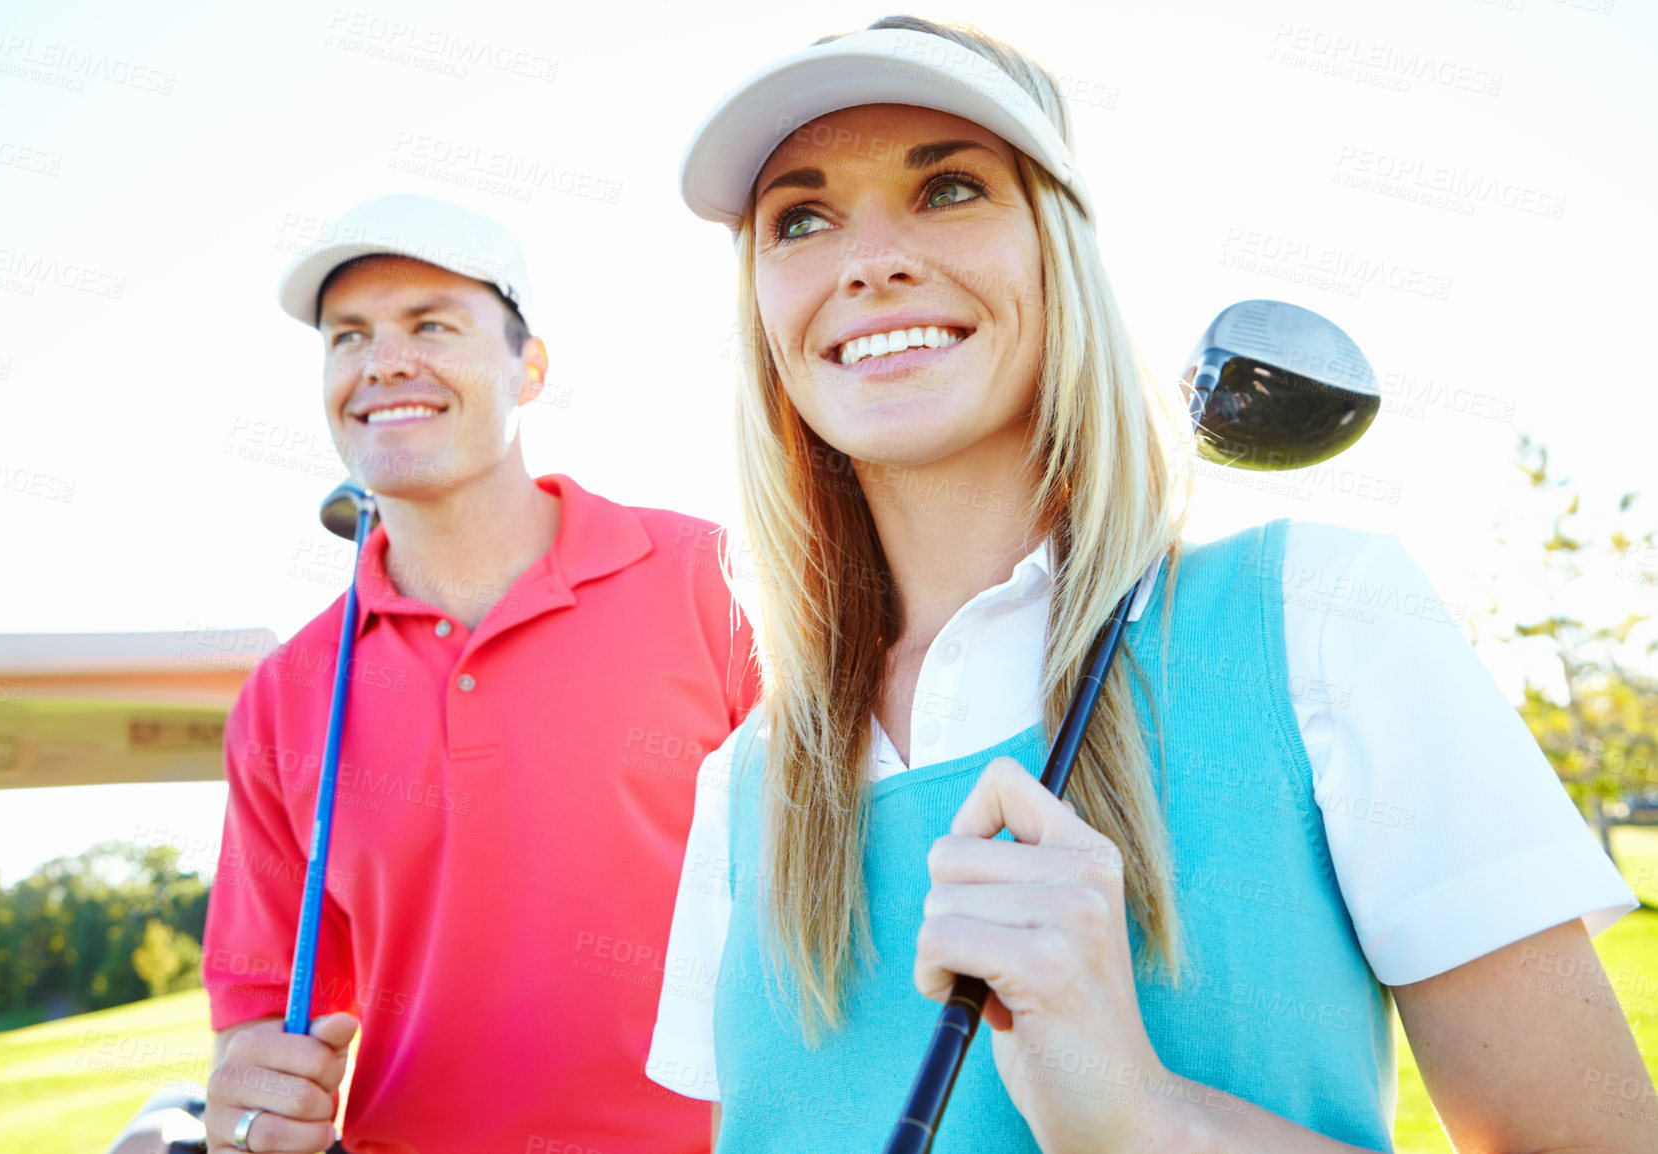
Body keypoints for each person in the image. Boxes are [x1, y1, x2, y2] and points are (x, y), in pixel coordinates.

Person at [646, 17, 1653, 1152]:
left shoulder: (1323, 615)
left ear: (1057, 251)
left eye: (950, 190)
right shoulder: (743, 780)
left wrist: (1145, 1115)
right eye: (801, 217)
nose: (866, 259)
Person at [198, 194, 758, 1154]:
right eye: (349, 337)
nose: (382, 363)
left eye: (431, 325)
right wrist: (253, 1108)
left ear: (528, 368)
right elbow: (256, 1024)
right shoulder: (284, 695)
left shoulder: (716, 580)